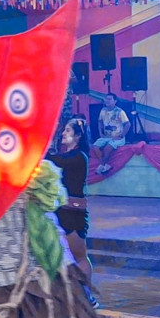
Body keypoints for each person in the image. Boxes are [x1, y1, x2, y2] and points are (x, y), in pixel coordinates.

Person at [48, 118, 97, 307]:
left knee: (78, 254)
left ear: (78, 135)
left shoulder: (78, 156)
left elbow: (55, 161)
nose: (63, 133)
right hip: (62, 210)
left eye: (68, 130)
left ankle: (87, 295)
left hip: (73, 213)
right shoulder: (67, 155)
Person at [92, 99, 130, 175]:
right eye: (106, 99)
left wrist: (121, 135)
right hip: (106, 137)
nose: (107, 101)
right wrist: (100, 133)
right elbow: (100, 122)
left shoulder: (120, 111)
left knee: (107, 147)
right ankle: (104, 165)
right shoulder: (103, 110)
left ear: (115, 101)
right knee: (95, 146)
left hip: (118, 138)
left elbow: (128, 124)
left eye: (109, 99)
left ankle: (101, 166)